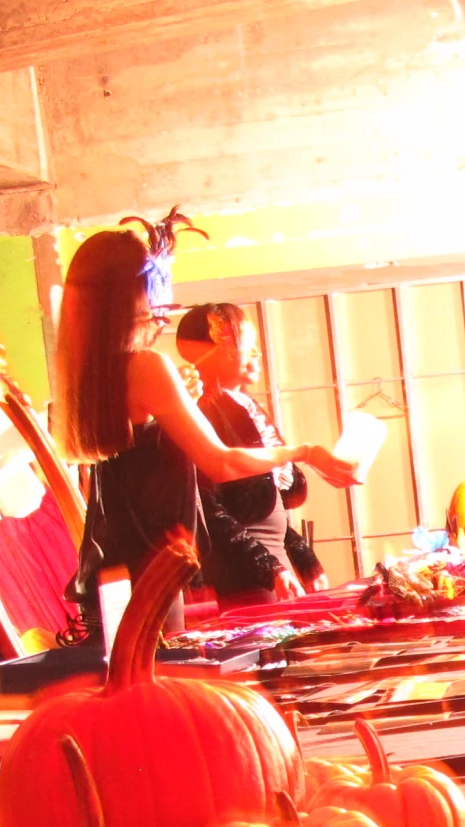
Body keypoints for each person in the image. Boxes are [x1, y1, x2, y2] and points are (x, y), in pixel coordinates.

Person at [53, 219, 354, 626]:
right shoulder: (145, 366)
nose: (163, 310)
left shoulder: (92, 374)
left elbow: (140, 461)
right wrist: (304, 451)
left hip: (118, 569)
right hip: (150, 572)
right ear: (129, 297)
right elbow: (222, 464)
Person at [174, 305, 328, 602]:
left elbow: (275, 505)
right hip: (241, 569)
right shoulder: (202, 412)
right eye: (246, 345)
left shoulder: (243, 405)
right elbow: (207, 507)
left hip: (273, 561)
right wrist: (269, 567)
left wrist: (305, 559)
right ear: (217, 349)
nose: (256, 354)